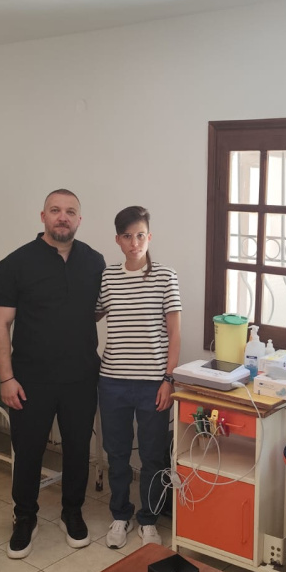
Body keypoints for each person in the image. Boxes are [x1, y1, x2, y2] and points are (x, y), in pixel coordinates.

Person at [0, 189, 106, 557]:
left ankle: (72, 512)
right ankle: (25, 517)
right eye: (55, 210)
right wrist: (6, 378)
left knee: (77, 449)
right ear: (43, 216)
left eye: (70, 211)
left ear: (79, 220)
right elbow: (0, 326)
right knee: (28, 451)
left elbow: (97, 309)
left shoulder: (95, 262)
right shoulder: (14, 264)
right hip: (30, 379)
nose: (62, 217)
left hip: (81, 376)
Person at [95, 206, 182, 549]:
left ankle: (149, 519)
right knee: (116, 453)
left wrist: (168, 380)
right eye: (128, 236)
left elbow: (175, 334)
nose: (135, 243)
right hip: (112, 380)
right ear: (118, 240)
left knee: (152, 455)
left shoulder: (165, 276)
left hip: (153, 383)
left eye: (141, 235)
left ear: (150, 237)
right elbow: (90, 314)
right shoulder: (108, 278)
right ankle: (120, 515)